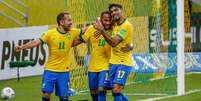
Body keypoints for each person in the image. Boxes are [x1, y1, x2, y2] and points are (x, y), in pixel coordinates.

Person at [15, 12, 82, 101]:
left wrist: (99, 26)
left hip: (64, 71)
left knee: (64, 97)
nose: (71, 22)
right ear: (61, 22)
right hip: (51, 70)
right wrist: (22, 47)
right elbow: (35, 42)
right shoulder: (50, 34)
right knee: (46, 93)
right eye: (69, 20)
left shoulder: (73, 32)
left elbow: (86, 31)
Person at [73, 10, 133, 101]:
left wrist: (131, 46)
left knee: (103, 89)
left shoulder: (114, 29)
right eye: (105, 20)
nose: (107, 22)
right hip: (93, 66)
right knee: (94, 92)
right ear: (100, 20)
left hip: (107, 65)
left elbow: (126, 39)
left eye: (109, 20)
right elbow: (77, 41)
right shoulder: (92, 29)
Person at [93, 3, 134, 101]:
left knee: (116, 90)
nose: (113, 13)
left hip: (123, 62)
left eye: (116, 10)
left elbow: (114, 43)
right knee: (114, 90)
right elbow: (99, 19)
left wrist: (102, 30)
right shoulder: (115, 24)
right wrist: (100, 26)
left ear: (122, 10)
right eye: (112, 11)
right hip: (112, 62)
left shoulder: (126, 26)